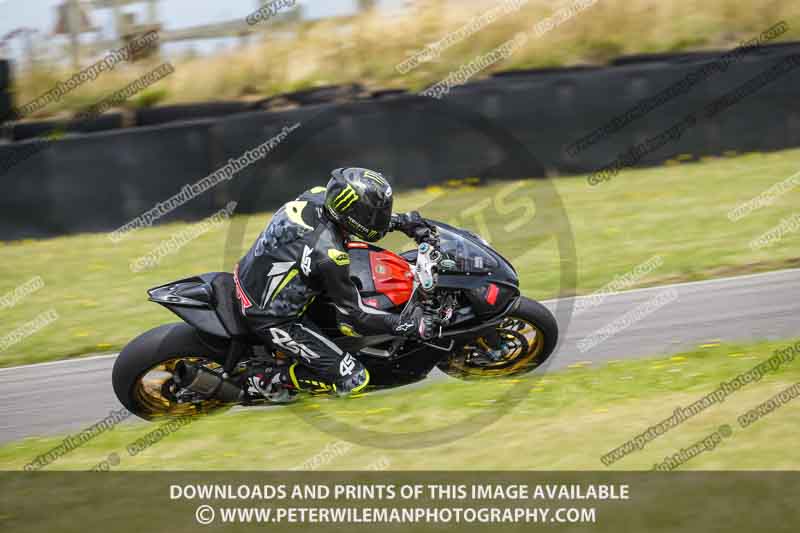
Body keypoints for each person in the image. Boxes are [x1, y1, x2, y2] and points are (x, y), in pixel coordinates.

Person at [234, 167, 435, 402]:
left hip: (252, 273)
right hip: (271, 316)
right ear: (351, 214)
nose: (377, 220)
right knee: (355, 378)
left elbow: (352, 219)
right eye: (372, 215)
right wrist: (406, 325)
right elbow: (354, 317)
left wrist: (401, 222)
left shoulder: (318, 196)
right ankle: (269, 379)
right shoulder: (329, 254)